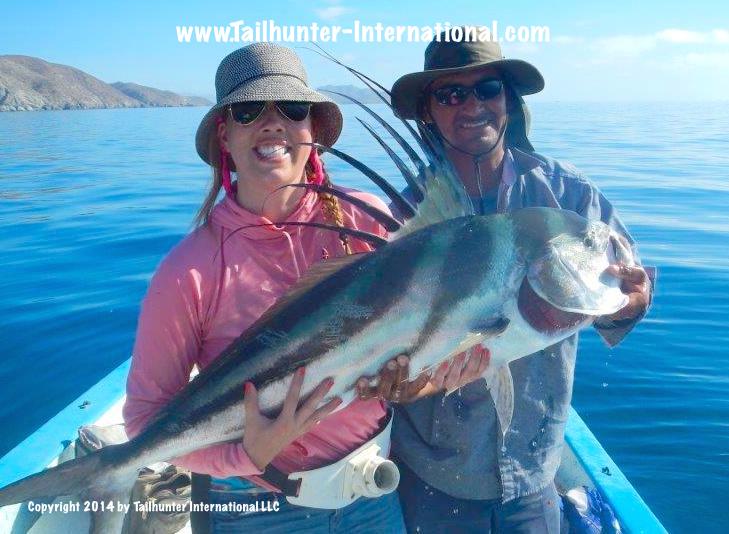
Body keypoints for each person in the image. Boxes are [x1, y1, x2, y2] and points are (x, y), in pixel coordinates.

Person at [358, 27, 653, 533]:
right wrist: (391, 385)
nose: (472, 105)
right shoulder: (404, 218)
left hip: (534, 467)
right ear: (428, 112)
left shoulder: (570, 195)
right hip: (431, 471)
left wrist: (632, 303)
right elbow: (380, 341)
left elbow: (630, 287)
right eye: (451, 94)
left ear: (509, 101)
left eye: (488, 88)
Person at [123, 42, 405, 533]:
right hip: (256, 512)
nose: (272, 123)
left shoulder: (368, 220)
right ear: (225, 134)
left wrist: (411, 379)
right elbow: (144, 422)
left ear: (312, 130)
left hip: (375, 495)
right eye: (249, 110)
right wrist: (245, 455)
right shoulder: (188, 270)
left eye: (292, 108)